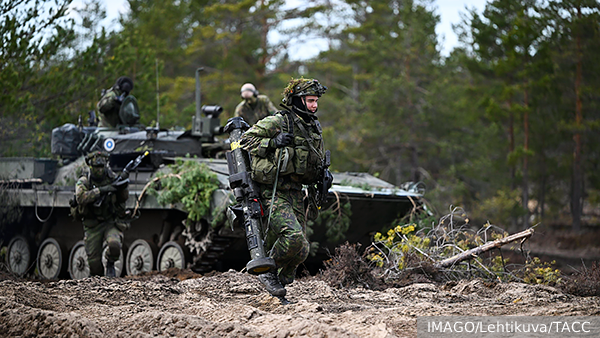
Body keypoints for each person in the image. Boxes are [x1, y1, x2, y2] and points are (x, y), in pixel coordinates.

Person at [240, 78, 328, 297]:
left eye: (316, 101)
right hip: (275, 192)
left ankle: (275, 284)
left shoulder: (312, 126)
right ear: (298, 100)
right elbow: (245, 140)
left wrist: (322, 176)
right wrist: (272, 142)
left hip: (297, 193)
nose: (314, 105)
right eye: (310, 101)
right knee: (294, 238)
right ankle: (267, 270)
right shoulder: (279, 122)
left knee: (303, 250)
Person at [75, 151, 129, 277]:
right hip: (93, 225)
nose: (99, 170)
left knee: (115, 245)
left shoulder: (112, 178)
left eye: (101, 167)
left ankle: (110, 262)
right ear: (90, 167)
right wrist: (101, 190)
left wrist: (123, 186)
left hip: (110, 222)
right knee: (94, 266)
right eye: (96, 167)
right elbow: (80, 198)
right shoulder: (84, 181)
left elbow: (123, 199)